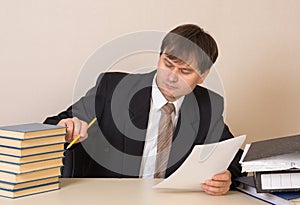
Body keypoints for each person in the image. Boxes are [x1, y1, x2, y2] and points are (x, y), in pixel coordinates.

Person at [44, 24, 245, 195]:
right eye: (167, 64)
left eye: (185, 71)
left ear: (202, 75)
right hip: (110, 197)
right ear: (159, 58)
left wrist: (227, 177)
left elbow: (234, 157)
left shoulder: (208, 105)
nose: (172, 77)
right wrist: (67, 127)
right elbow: (54, 124)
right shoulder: (113, 89)